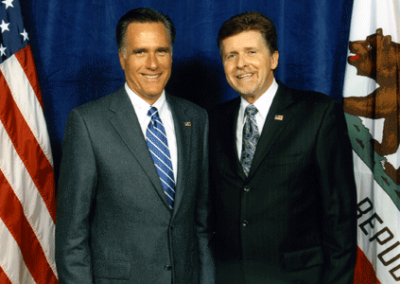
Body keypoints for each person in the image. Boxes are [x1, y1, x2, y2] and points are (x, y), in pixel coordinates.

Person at [55, 8, 214, 284]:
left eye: (161, 51)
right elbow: (72, 238)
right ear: (122, 58)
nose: (153, 64)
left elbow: (201, 226)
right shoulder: (88, 123)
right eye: (141, 52)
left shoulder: (196, 119)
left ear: (171, 55)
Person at [209, 11, 357, 284]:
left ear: (273, 58)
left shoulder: (318, 114)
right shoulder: (213, 120)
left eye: (251, 52)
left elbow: (340, 218)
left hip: (299, 277)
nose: (241, 64)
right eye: (231, 55)